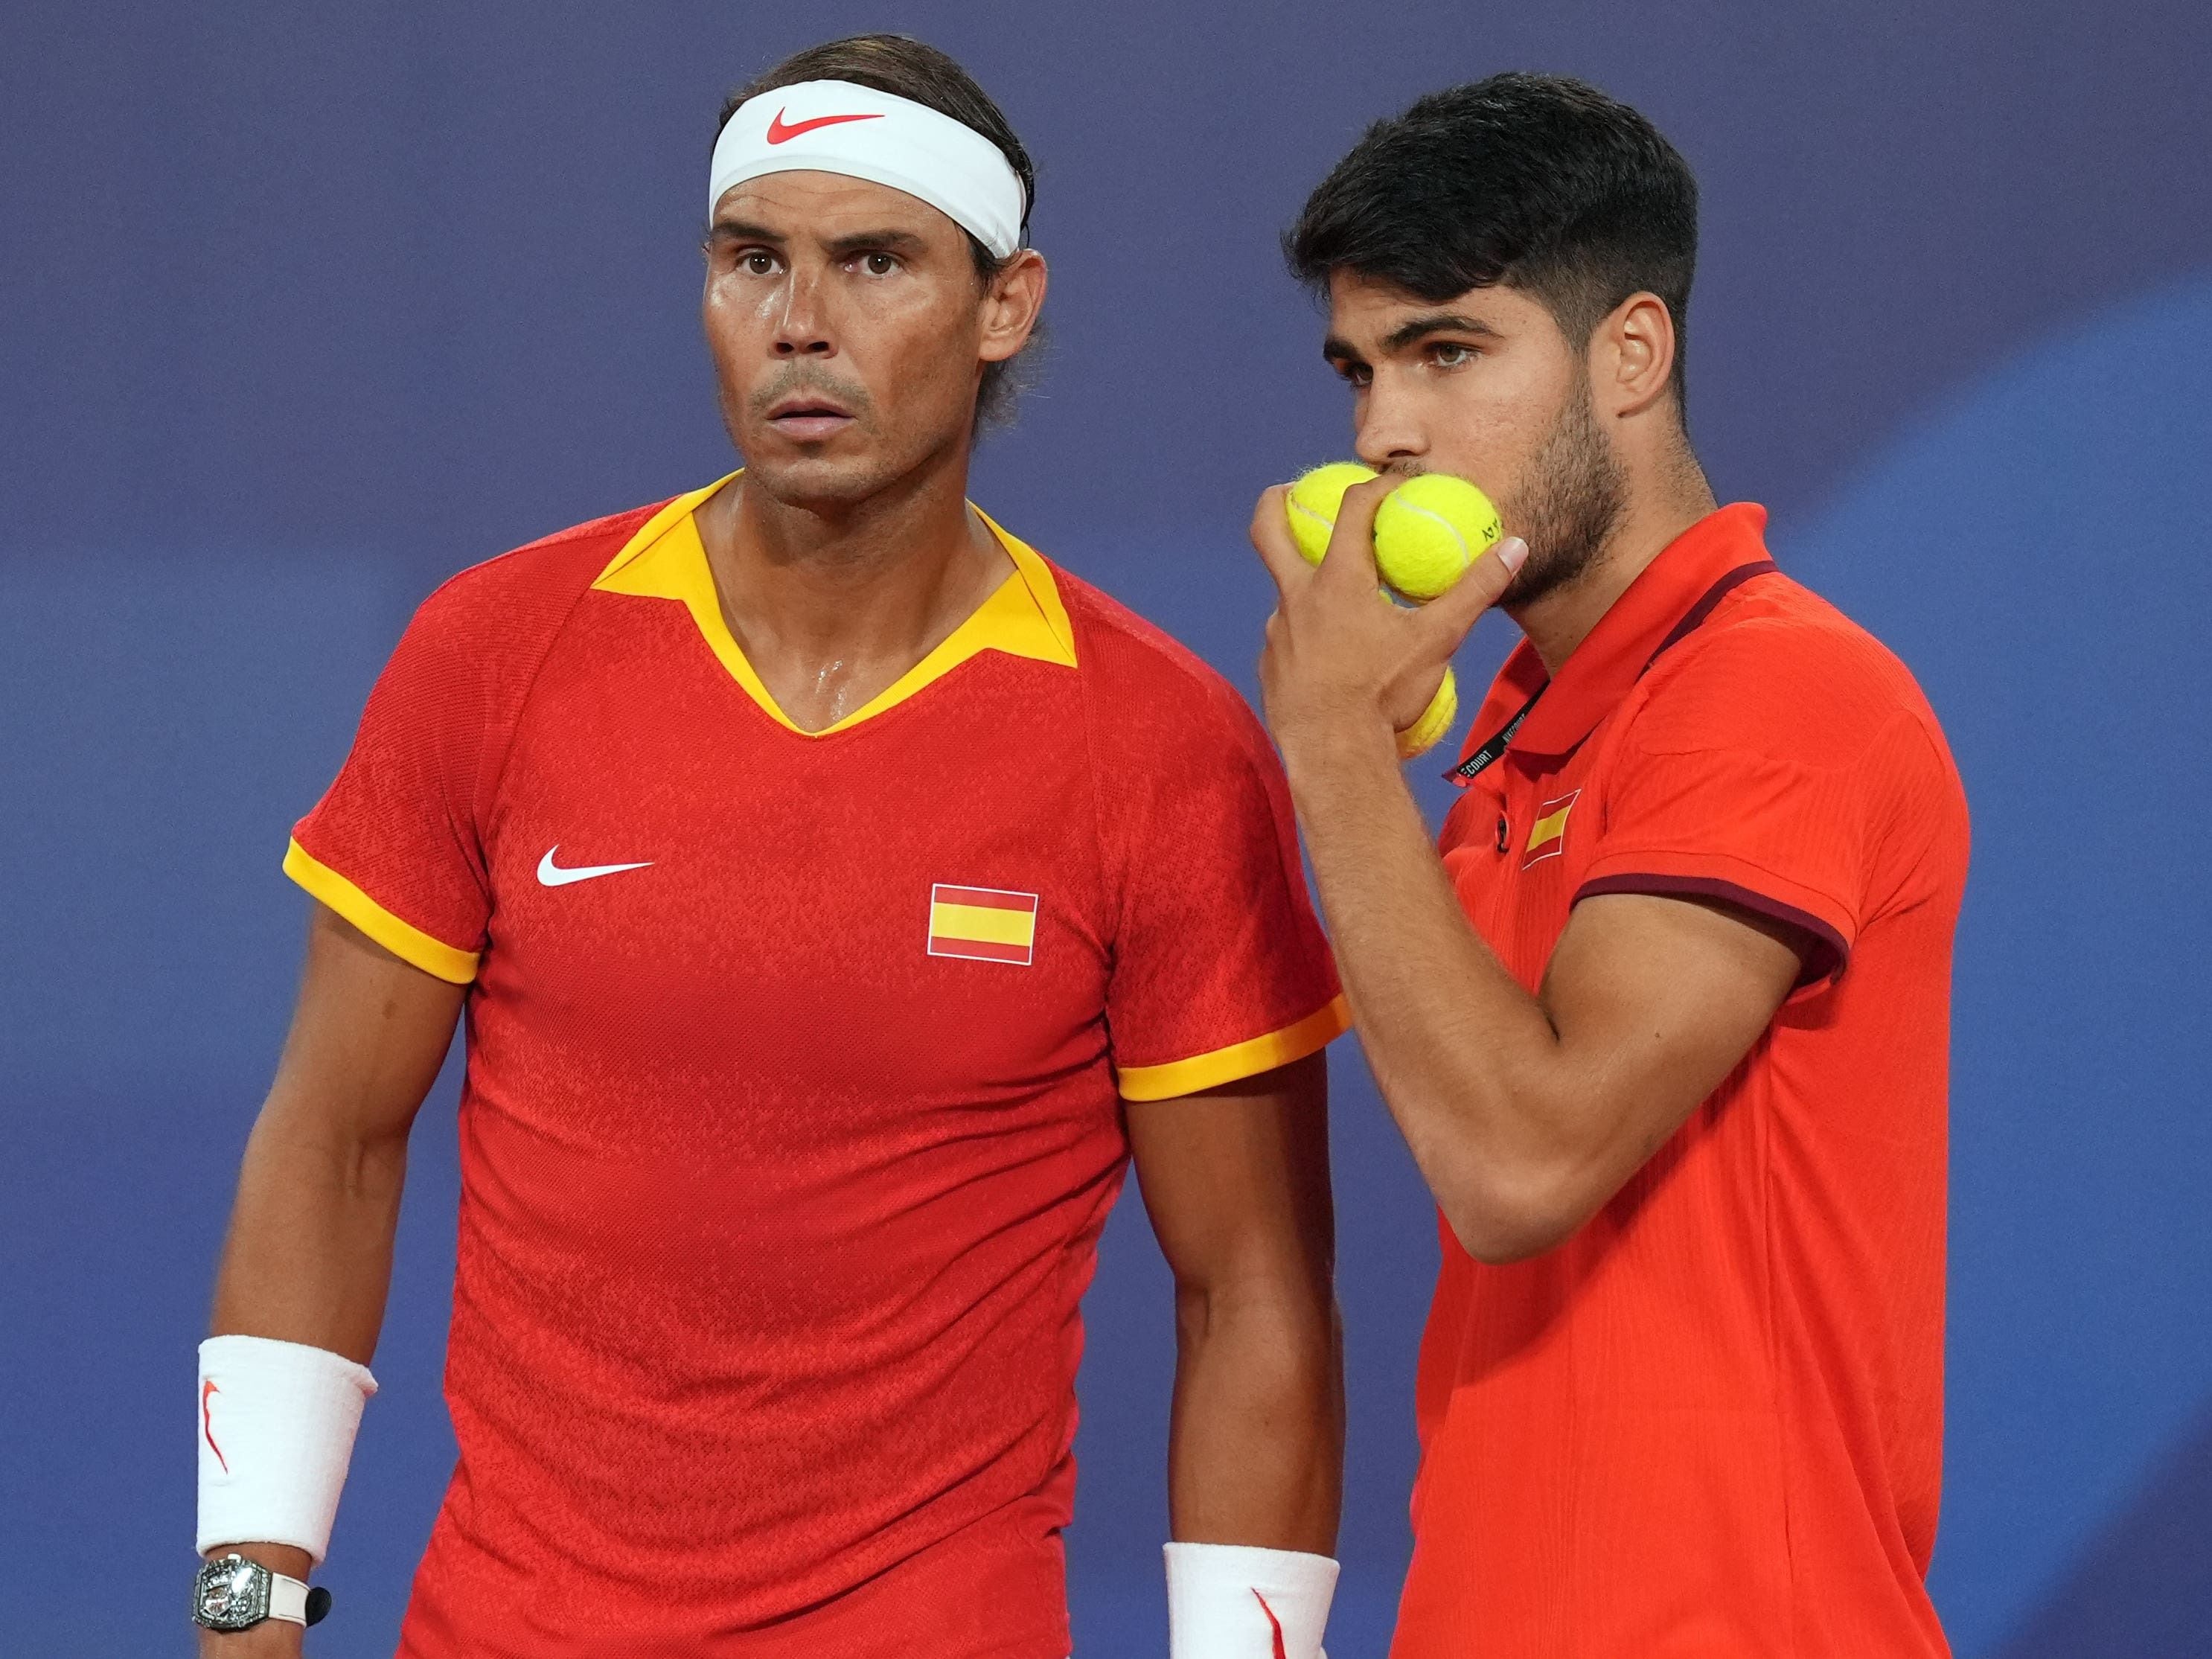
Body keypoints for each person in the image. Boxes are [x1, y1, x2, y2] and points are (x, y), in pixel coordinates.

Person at [194, 34, 1349, 1659]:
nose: (801, 323)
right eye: (755, 261)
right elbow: (331, 1143)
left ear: (1003, 304)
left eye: (875, 260)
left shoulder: (1156, 749)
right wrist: (241, 1614)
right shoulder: (499, 652)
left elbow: (1252, 1297)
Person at [1248, 73, 1968, 1658]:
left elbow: (1521, 1167)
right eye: (1360, 370)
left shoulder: (1783, 690)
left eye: (1448, 351)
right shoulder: (1502, 745)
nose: (1384, 433)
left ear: (1629, 354)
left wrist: (1332, 748)